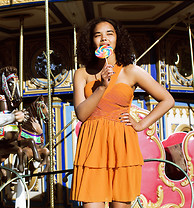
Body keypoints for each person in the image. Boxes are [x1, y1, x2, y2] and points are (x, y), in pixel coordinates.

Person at [70, 17, 175, 208]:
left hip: (122, 145)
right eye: (97, 35)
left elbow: (167, 100)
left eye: (109, 33)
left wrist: (141, 124)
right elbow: (82, 115)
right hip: (92, 146)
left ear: (118, 39)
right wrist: (101, 87)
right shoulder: (82, 73)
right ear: (90, 41)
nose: (104, 38)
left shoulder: (131, 71)